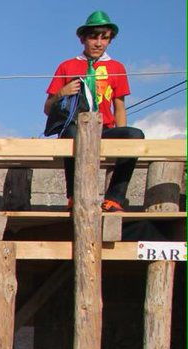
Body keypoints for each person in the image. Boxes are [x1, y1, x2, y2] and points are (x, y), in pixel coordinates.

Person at [45, 10, 143, 211]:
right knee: (72, 133)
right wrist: (61, 93)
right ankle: (74, 196)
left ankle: (114, 198)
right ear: (83, 39)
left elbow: (119, 108)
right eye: (93, 37)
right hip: (75, 127)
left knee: (135, 135)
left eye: (104, 38)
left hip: (103, 129)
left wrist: (121, 142)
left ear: (110, 40)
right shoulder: (67, 66)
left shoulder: (117, 67)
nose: (98, 43)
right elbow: (47, 109)